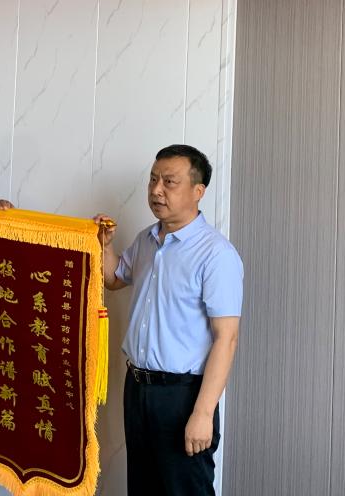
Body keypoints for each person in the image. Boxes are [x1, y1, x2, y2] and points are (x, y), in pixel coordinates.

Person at [95, 144, 243, 496]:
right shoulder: (146, 240)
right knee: (143, 487)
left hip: (183, 396)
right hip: (138, 389)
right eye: (153, 180)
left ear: (198, 190)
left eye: (169, 182)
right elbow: (114, 279)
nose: (156, 190)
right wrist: (104, 246)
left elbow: (226, 338)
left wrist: (203, 413)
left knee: (184, 489)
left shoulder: (215, 254)